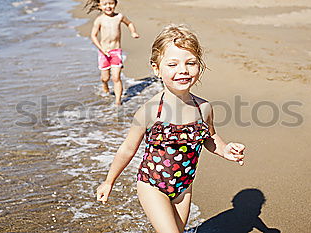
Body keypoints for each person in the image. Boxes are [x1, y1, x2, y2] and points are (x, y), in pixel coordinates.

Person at [96, 24, 245, 233]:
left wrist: (225, 150)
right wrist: (109, 181)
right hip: (152, 184)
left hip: (184, 186)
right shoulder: (149, 112)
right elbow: (128, 149)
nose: (183, 70)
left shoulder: (203, 108)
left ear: (199, 66)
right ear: (157, 68)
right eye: (172, 64)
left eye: (190, 63)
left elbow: (210, 137)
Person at [84, 0, 140, 105]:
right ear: (100, 6)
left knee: (116, 77)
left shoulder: (119, 17)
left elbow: (129, 23)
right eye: (105, 4)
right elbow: (93, 35)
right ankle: (105, 86)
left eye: (111, 3)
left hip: (116, 51)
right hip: (103, 52)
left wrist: (133, 32)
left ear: (115, 4)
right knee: (105, 78)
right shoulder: (99, 20)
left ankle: (118, 102)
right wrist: (101, 48)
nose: (108, 6)